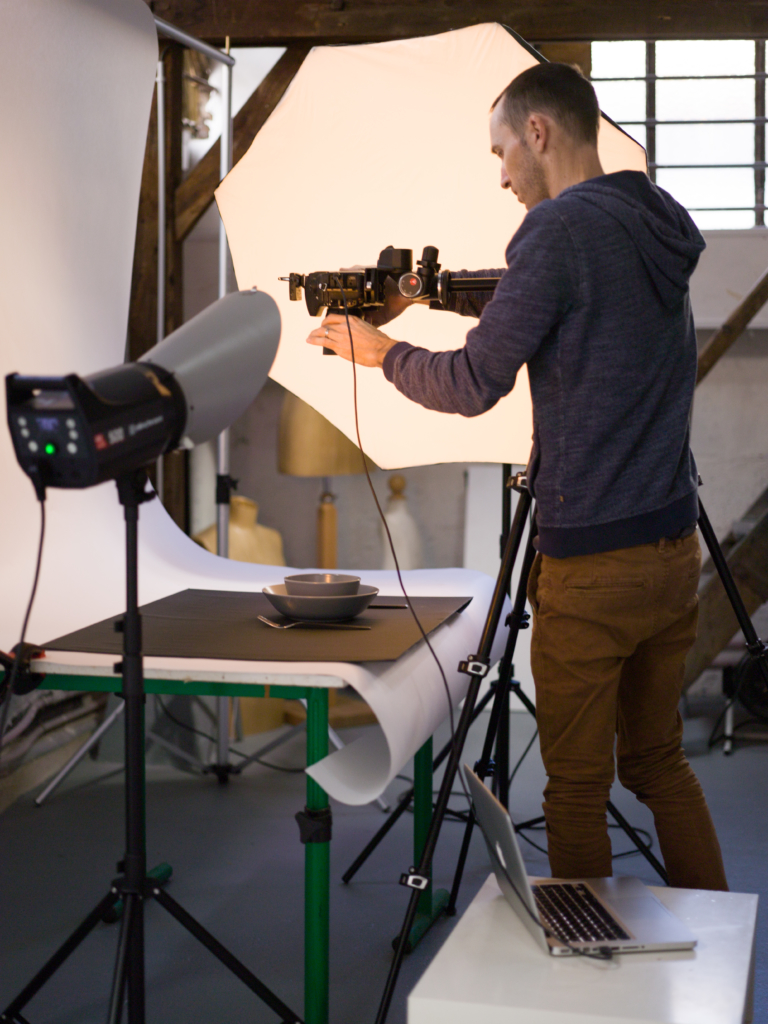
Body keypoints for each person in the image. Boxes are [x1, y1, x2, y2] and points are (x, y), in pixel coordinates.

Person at [307, 62, 728, 891]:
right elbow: (560, 301)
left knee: (574, 787)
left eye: (502, 151)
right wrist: (424, 299)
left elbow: (471, 384)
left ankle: (587, 991)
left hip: (593, 565)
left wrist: (379, 349)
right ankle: (723, 960)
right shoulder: (651, 216)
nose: (500, 174)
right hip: (672, 551)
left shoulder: (556, 231)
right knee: (658, 765)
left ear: (538, 132)